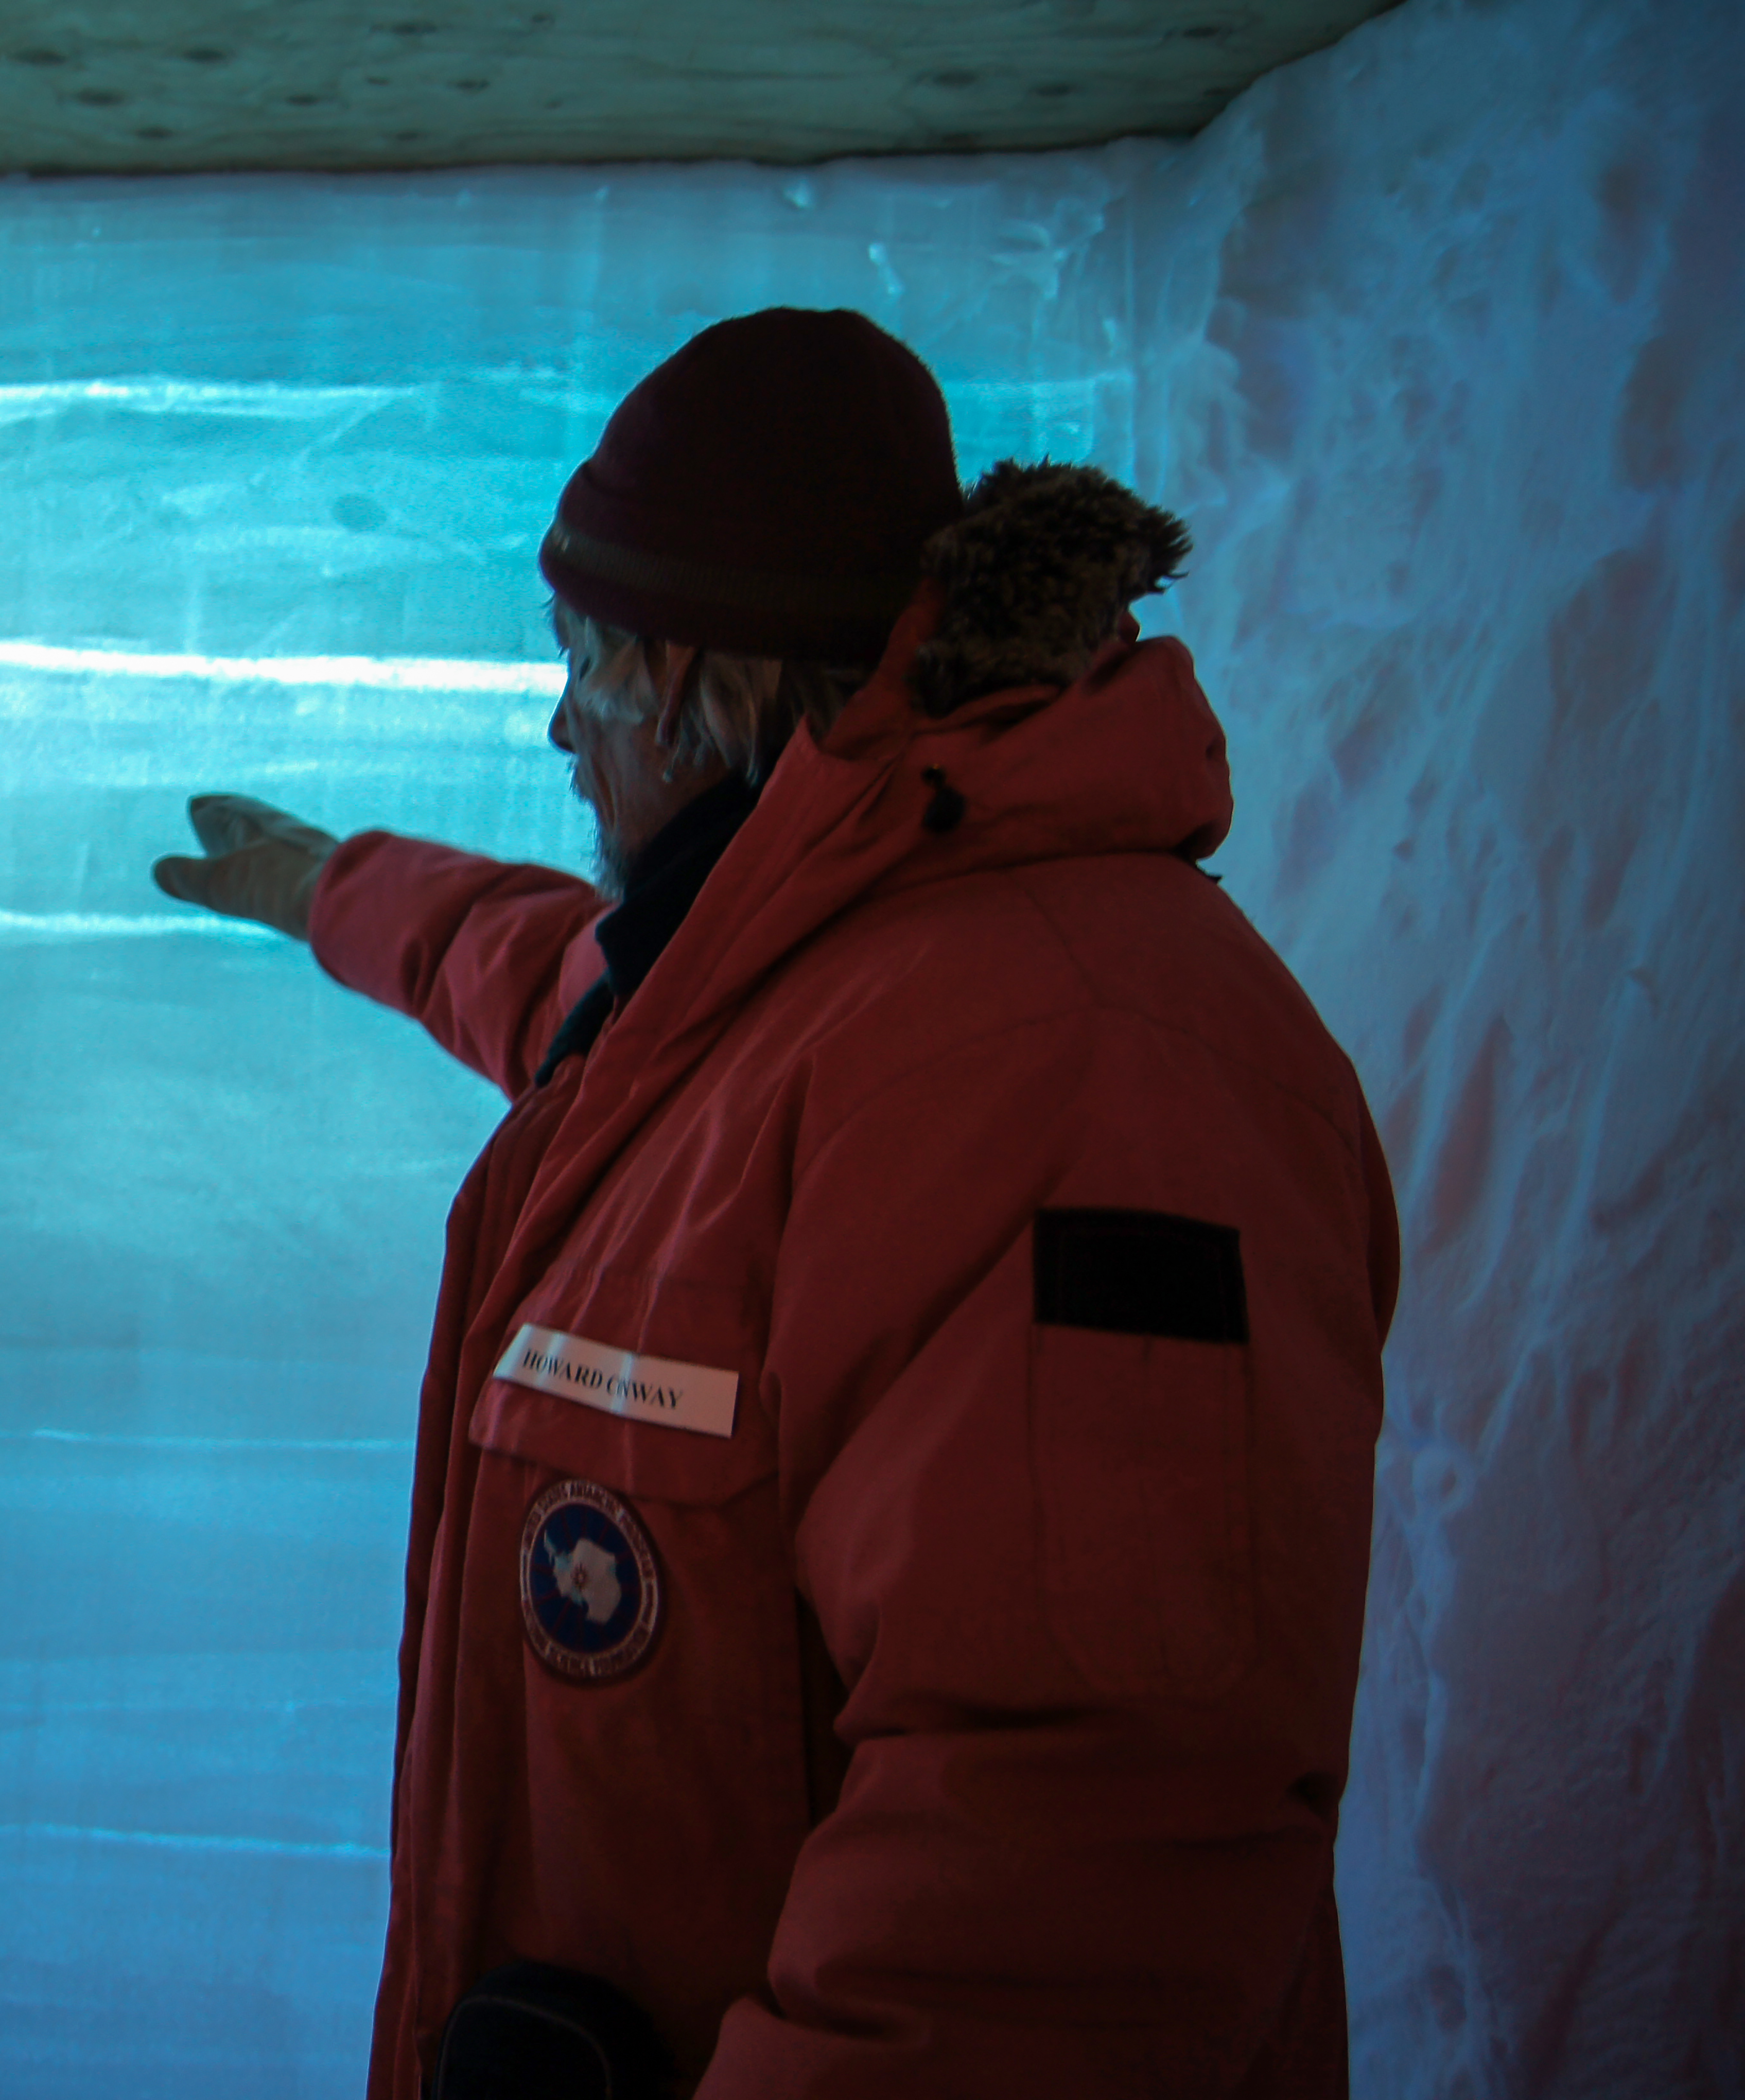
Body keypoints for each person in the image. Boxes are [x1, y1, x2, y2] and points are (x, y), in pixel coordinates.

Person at [151, 309, 1400, 2099]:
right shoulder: (806, 969)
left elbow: (1066, 1880)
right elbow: (566, 990)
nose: (563, 723)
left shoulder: (1073, 1065)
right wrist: (338, 893)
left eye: (587, 662)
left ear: (708, 679)